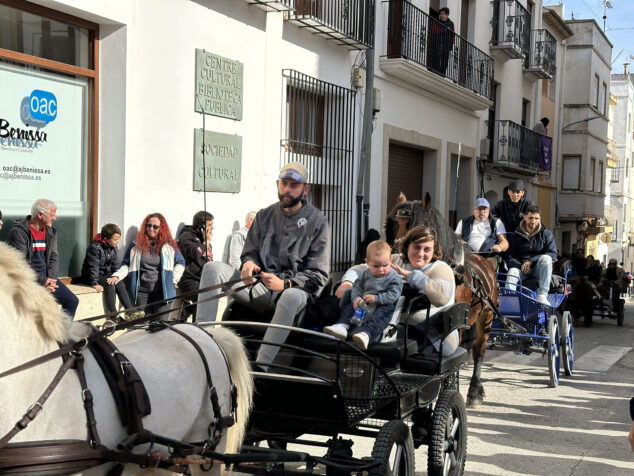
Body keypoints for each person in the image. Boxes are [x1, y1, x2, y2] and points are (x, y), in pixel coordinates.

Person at [197, 162, 330, 370]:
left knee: (291, 295)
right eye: (284, 183)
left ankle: (262, 366)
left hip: (293, 293)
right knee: (212, 268)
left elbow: (319, 274)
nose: (287, 189)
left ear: (305, 189)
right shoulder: (264, 215)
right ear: (278, 184)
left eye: (294, 185)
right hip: (259, 288)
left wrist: (285, 283)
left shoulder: (318, 221)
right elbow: (249, 252)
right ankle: (200, 344)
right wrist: (249, 263)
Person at [337, 225, 458, 355]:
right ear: (408, 246)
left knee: (376, 340)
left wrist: (411, 276)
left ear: (434, 251)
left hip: (434, 335)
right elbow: (361, 268)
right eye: (416, 247)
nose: (421, 253)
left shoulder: (440, 269)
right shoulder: (395, 261)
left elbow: (441, 297)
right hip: (390, 324)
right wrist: (347, 283)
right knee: (356, 332)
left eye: (427, 249)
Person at [324, 240, 402, 350]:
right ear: (367, 262)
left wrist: (376, 298)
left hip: (383, 304)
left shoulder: (394, 277)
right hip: (364, 302)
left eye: (385, 265)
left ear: (391, 261)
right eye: (376, 266)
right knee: (350, 307)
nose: (381, 270)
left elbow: (393, 295)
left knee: (380, 316)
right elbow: (357, 286)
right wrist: (356, 298)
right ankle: (343, 325)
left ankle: (366, 334)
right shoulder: (365, 273)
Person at [7, 198, 79, 318]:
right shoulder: (19, 232)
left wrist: (51, 278)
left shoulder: (50, 231)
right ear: (40, 215)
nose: (54, 218)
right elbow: (20, 264)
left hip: (48, 278)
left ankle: (61, 335)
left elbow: (54, 256)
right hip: (29, 280)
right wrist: (43, 281)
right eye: (52, 215)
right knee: (40, 313)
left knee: (72, 301)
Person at [111, 213, 185, 317]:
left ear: (162, 228)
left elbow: (180, 263)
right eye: (149, 225)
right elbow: (127, 265)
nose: (151, 228)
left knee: (161, 328)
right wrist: (117, 275)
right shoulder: (136, 244)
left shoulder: (170, 245)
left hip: (163, 294)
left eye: (155, 227)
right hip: (141, 293)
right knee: (141, 327)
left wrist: (174, 279)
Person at [505, 205, 557, 305]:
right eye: (530, 218)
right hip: (521, 269)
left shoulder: (546, 234)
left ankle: (542, 295)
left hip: (538, 269)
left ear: (540, 218)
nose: (533, 221)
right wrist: (521, 265)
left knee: (546, 258)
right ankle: (510, 303)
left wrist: (531, 261)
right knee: (512, 272)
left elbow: (553, 254)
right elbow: (509, 257)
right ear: (525, 217)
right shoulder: (515, 235)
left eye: (536, 218)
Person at [81, 223, 135, 317]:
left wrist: (116, 276)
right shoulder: (95, 248)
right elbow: (93, 266)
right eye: (115, 239)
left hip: (104, 274)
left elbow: (115, 264)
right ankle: (113, 315)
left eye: (118, 239)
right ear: (106, 239)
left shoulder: (113, 247)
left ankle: (130, 311)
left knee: (118, 282)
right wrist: (94, 283)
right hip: (91, 276)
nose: (117, 242)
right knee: (109, 284)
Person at [177, 210, 214, 315]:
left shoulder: (204, 237)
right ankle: (187, 310)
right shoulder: (186, 236)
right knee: (204, 303)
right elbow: (196, 253)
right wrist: (206, 242)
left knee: (209, 300)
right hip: (190, 279)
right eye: (209, 225)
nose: (212, 228)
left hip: (202, 278)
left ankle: (188, 313)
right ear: (201, 226)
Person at [430, 7, 455, 75]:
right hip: (438, 42)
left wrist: (452, 43)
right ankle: (436, 71)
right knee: (437, 57)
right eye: (440, 14)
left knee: (445, 60)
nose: (441, 15)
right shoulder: (437, 21)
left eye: (442, 14)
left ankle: (442, 73)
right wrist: (445, 30)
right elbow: (434, 31)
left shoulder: (451, 24)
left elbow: (453, 34)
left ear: (447, 15)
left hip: (447, 44)